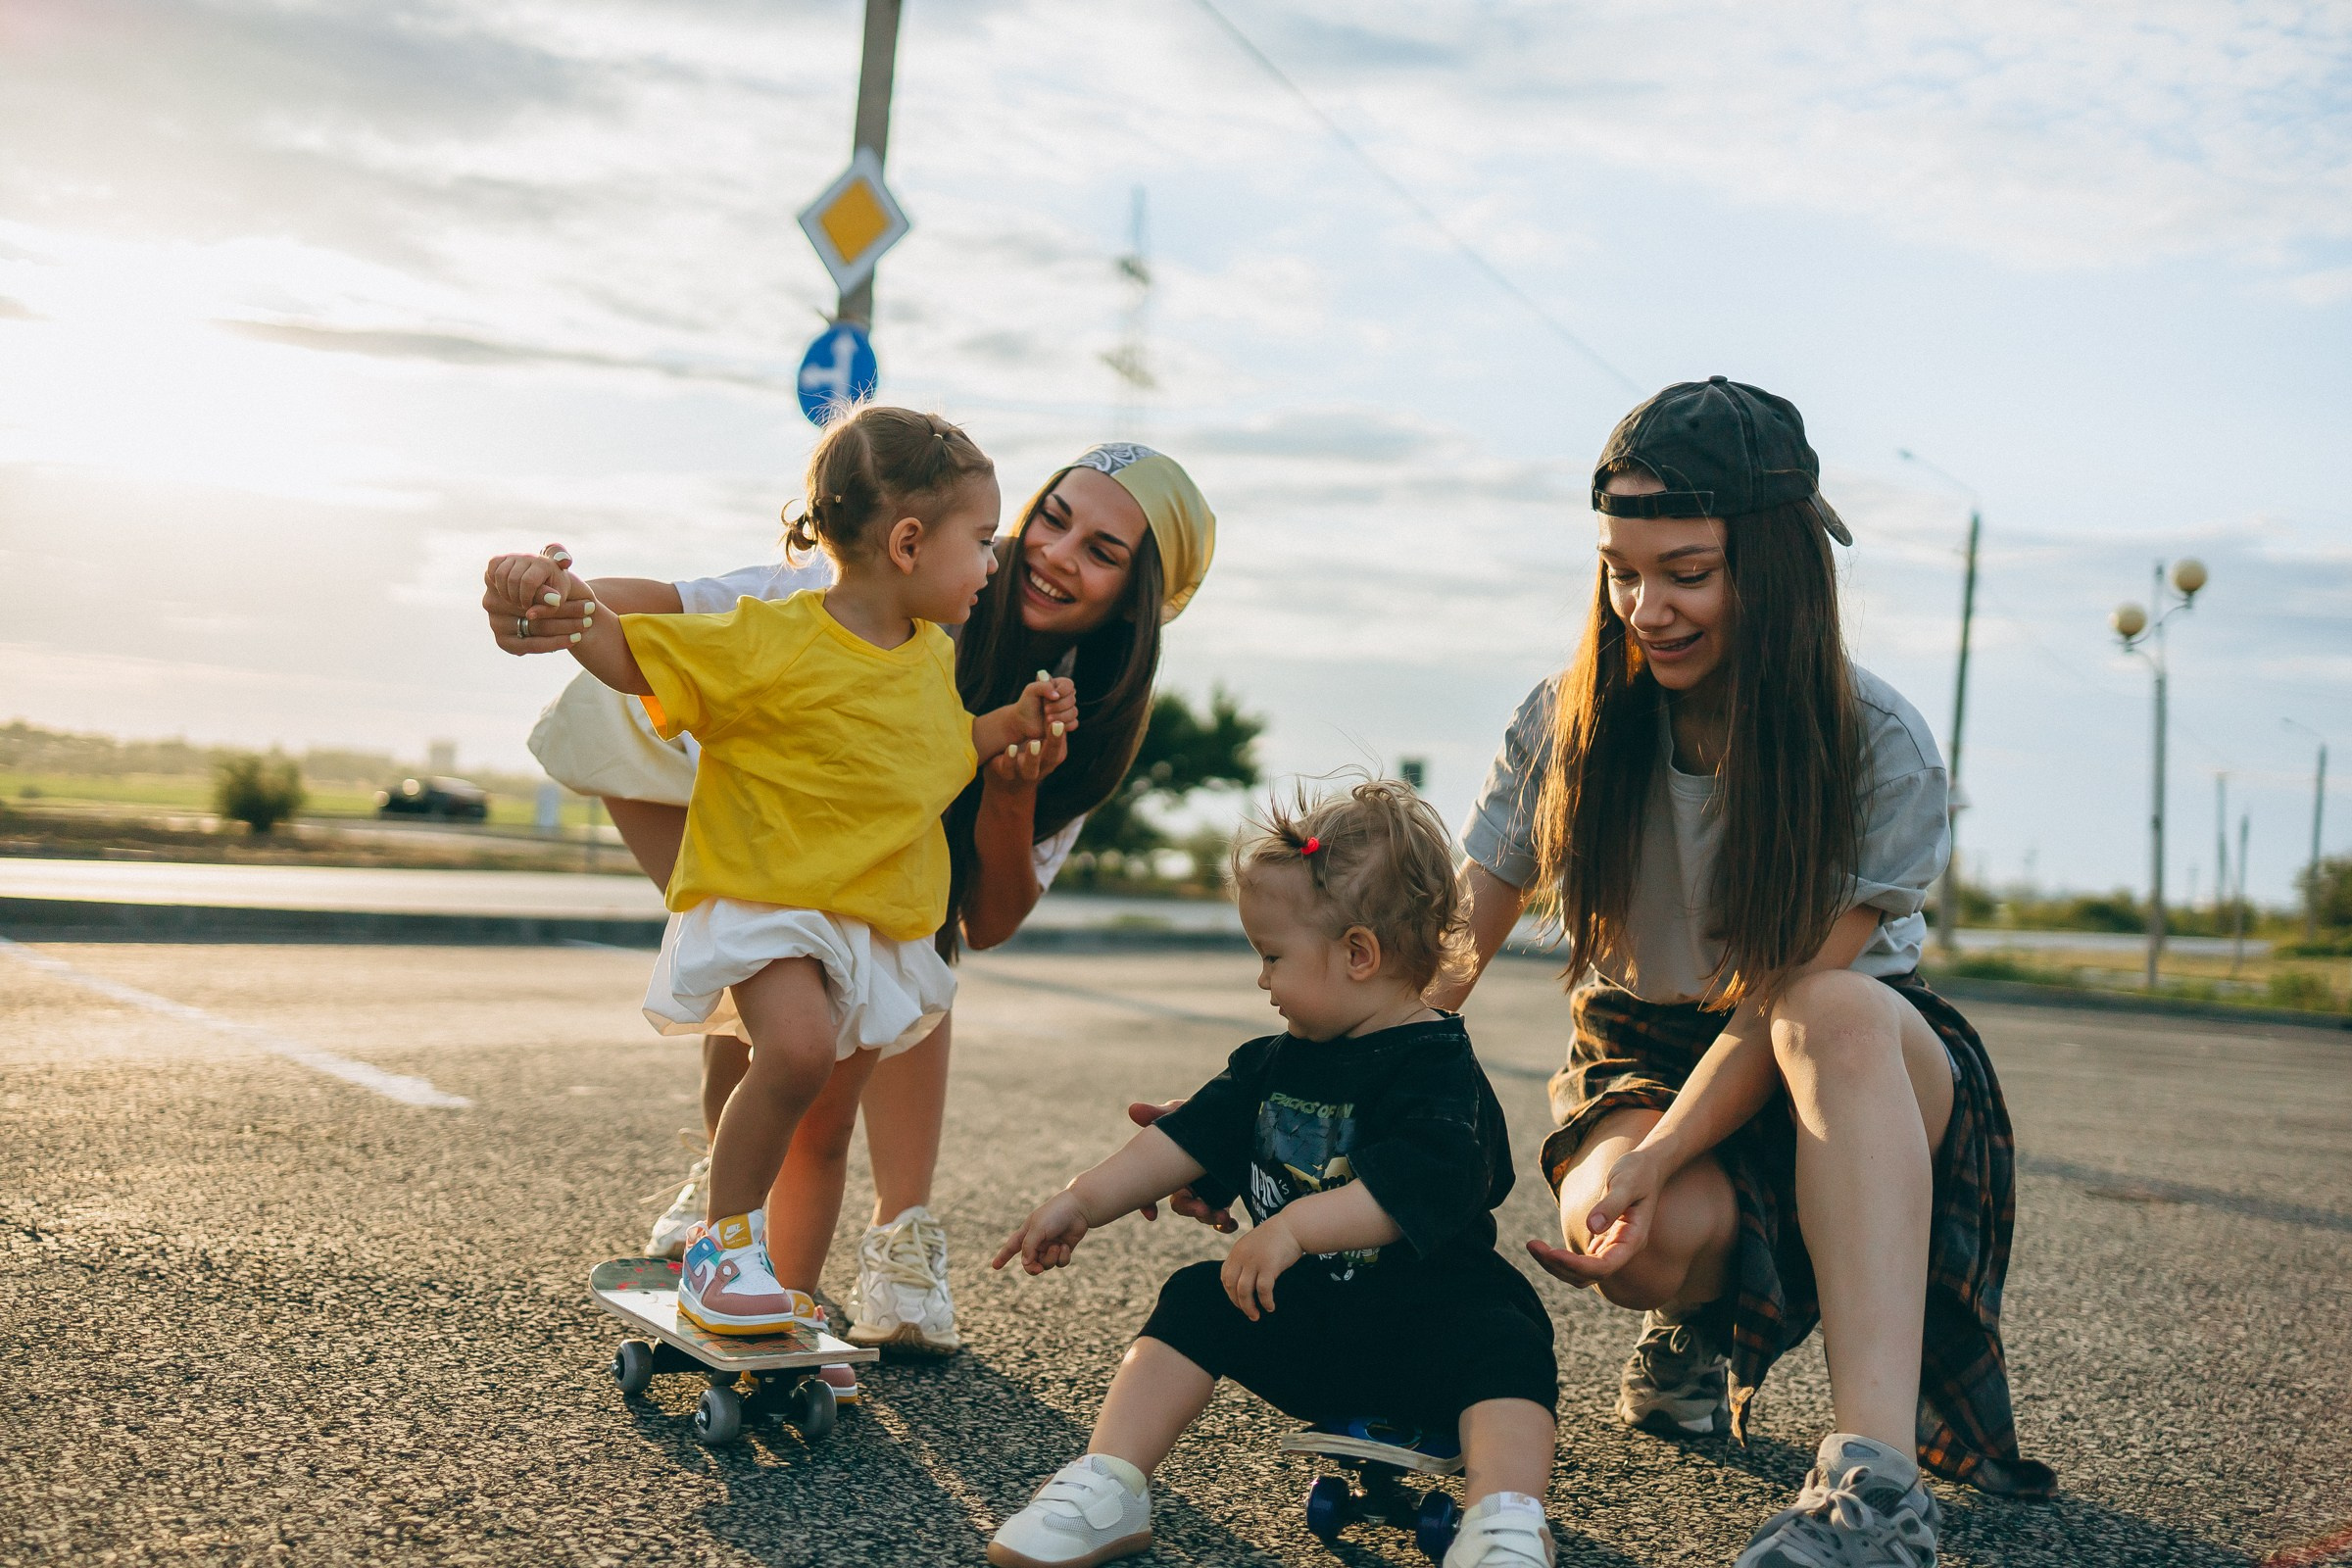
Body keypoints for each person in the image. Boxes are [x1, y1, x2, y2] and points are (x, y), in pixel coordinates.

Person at [1431, 377, 2053, 1567]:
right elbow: (1457, 947)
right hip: (1644, 1044)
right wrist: (1292, 1100)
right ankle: (1692, 1324)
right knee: (1632, 1232)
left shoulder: (1878, 744)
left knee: (1829, 1008)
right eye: (1621, 569)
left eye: (1686, 572)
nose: (1644, 607)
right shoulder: (1565, 722)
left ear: (1771, 567)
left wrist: (1666, 1149)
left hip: (1851, 1057)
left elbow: (1780, 1007)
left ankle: (1875, 1492)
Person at [486, 438, 1217, 1353]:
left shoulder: (1063, 706)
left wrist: (1015, 780)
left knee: (865, 1015)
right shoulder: (856, 605)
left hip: (892, 891)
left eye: (1102, 552)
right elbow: (675, 612)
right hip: (756, 836)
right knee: (776, 1021)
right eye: (1051, 521)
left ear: (1136, 599)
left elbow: (983, 919)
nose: (1051, 554)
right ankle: (734, 1212)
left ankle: (837, 1257)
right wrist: (553, 600)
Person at [988, 780, 1559, 1568]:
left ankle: (1503, 1521)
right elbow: (1180, 1140)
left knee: (1509, 1338)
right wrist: (1083, 1201)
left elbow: (1406, 1194)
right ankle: (1108, 1483)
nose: (1262, 981)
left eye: (1272, 957)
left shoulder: (1440, 1073)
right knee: (1194, 1299)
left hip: (1434, 1332)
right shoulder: (1272, 1065)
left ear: (1358, 954)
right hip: (1315, 1327)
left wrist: (1292, 1226)